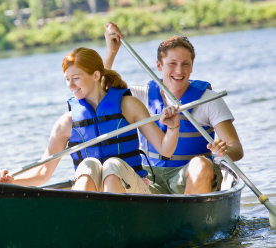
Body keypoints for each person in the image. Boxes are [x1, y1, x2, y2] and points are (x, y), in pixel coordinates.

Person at [0, 47, 180, 194]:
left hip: (135, 195)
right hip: (94, 200)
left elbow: (165, 150)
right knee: (88, 165)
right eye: (67, 79)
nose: (70, 85)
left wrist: (173, 128)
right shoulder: (66, 123)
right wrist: (12, 181)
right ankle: (86, 222)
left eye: (75, 78)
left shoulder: (129, 105)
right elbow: (43, 173)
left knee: (112, 165)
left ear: (96, 75)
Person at [103, 22, 244, 195]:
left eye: (186, 64)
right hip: (150, 177)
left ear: (192, 67)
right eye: (172, 63)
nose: (179, 70)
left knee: (199, 164)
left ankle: (189, 220)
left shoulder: (209, 100)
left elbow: (236, 148)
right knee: (112, 168)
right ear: (159, 66)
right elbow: (101, 90)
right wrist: (111, 51)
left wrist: (225, 150)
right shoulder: (141, 96)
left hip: (191, 176)